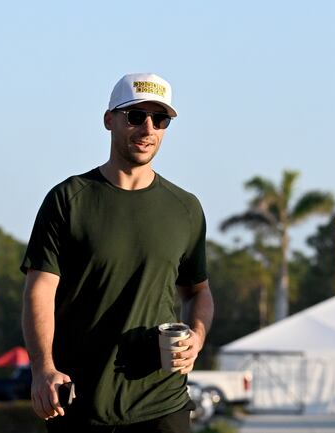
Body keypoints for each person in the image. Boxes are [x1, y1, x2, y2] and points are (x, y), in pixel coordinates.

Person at [20, 72, 214, 433]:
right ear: (109, 120)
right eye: (136, 116)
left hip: (162, 402)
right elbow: (40, 290)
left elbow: (198, 292)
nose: (148, 129)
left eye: (160, 120)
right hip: (79, 401)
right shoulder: (68, 200)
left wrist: (197, 337)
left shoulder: (185, 208)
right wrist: (42, 369)